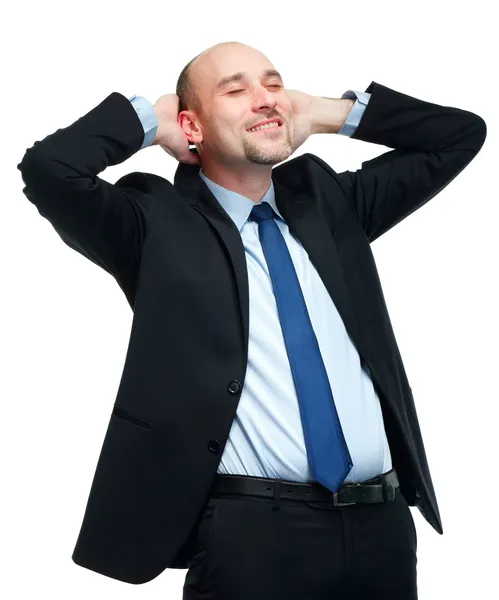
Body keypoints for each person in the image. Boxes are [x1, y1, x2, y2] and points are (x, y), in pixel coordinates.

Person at [17, 41, 487, 599]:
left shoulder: (330, 203)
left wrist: (327, 111)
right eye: (235, 90)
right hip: (255, 535)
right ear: (190, 124)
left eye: (273, 84)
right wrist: (151, 119)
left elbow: (460, 135)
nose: (265, 99)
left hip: (381, 525)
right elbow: (50, 169)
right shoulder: (153, 226)